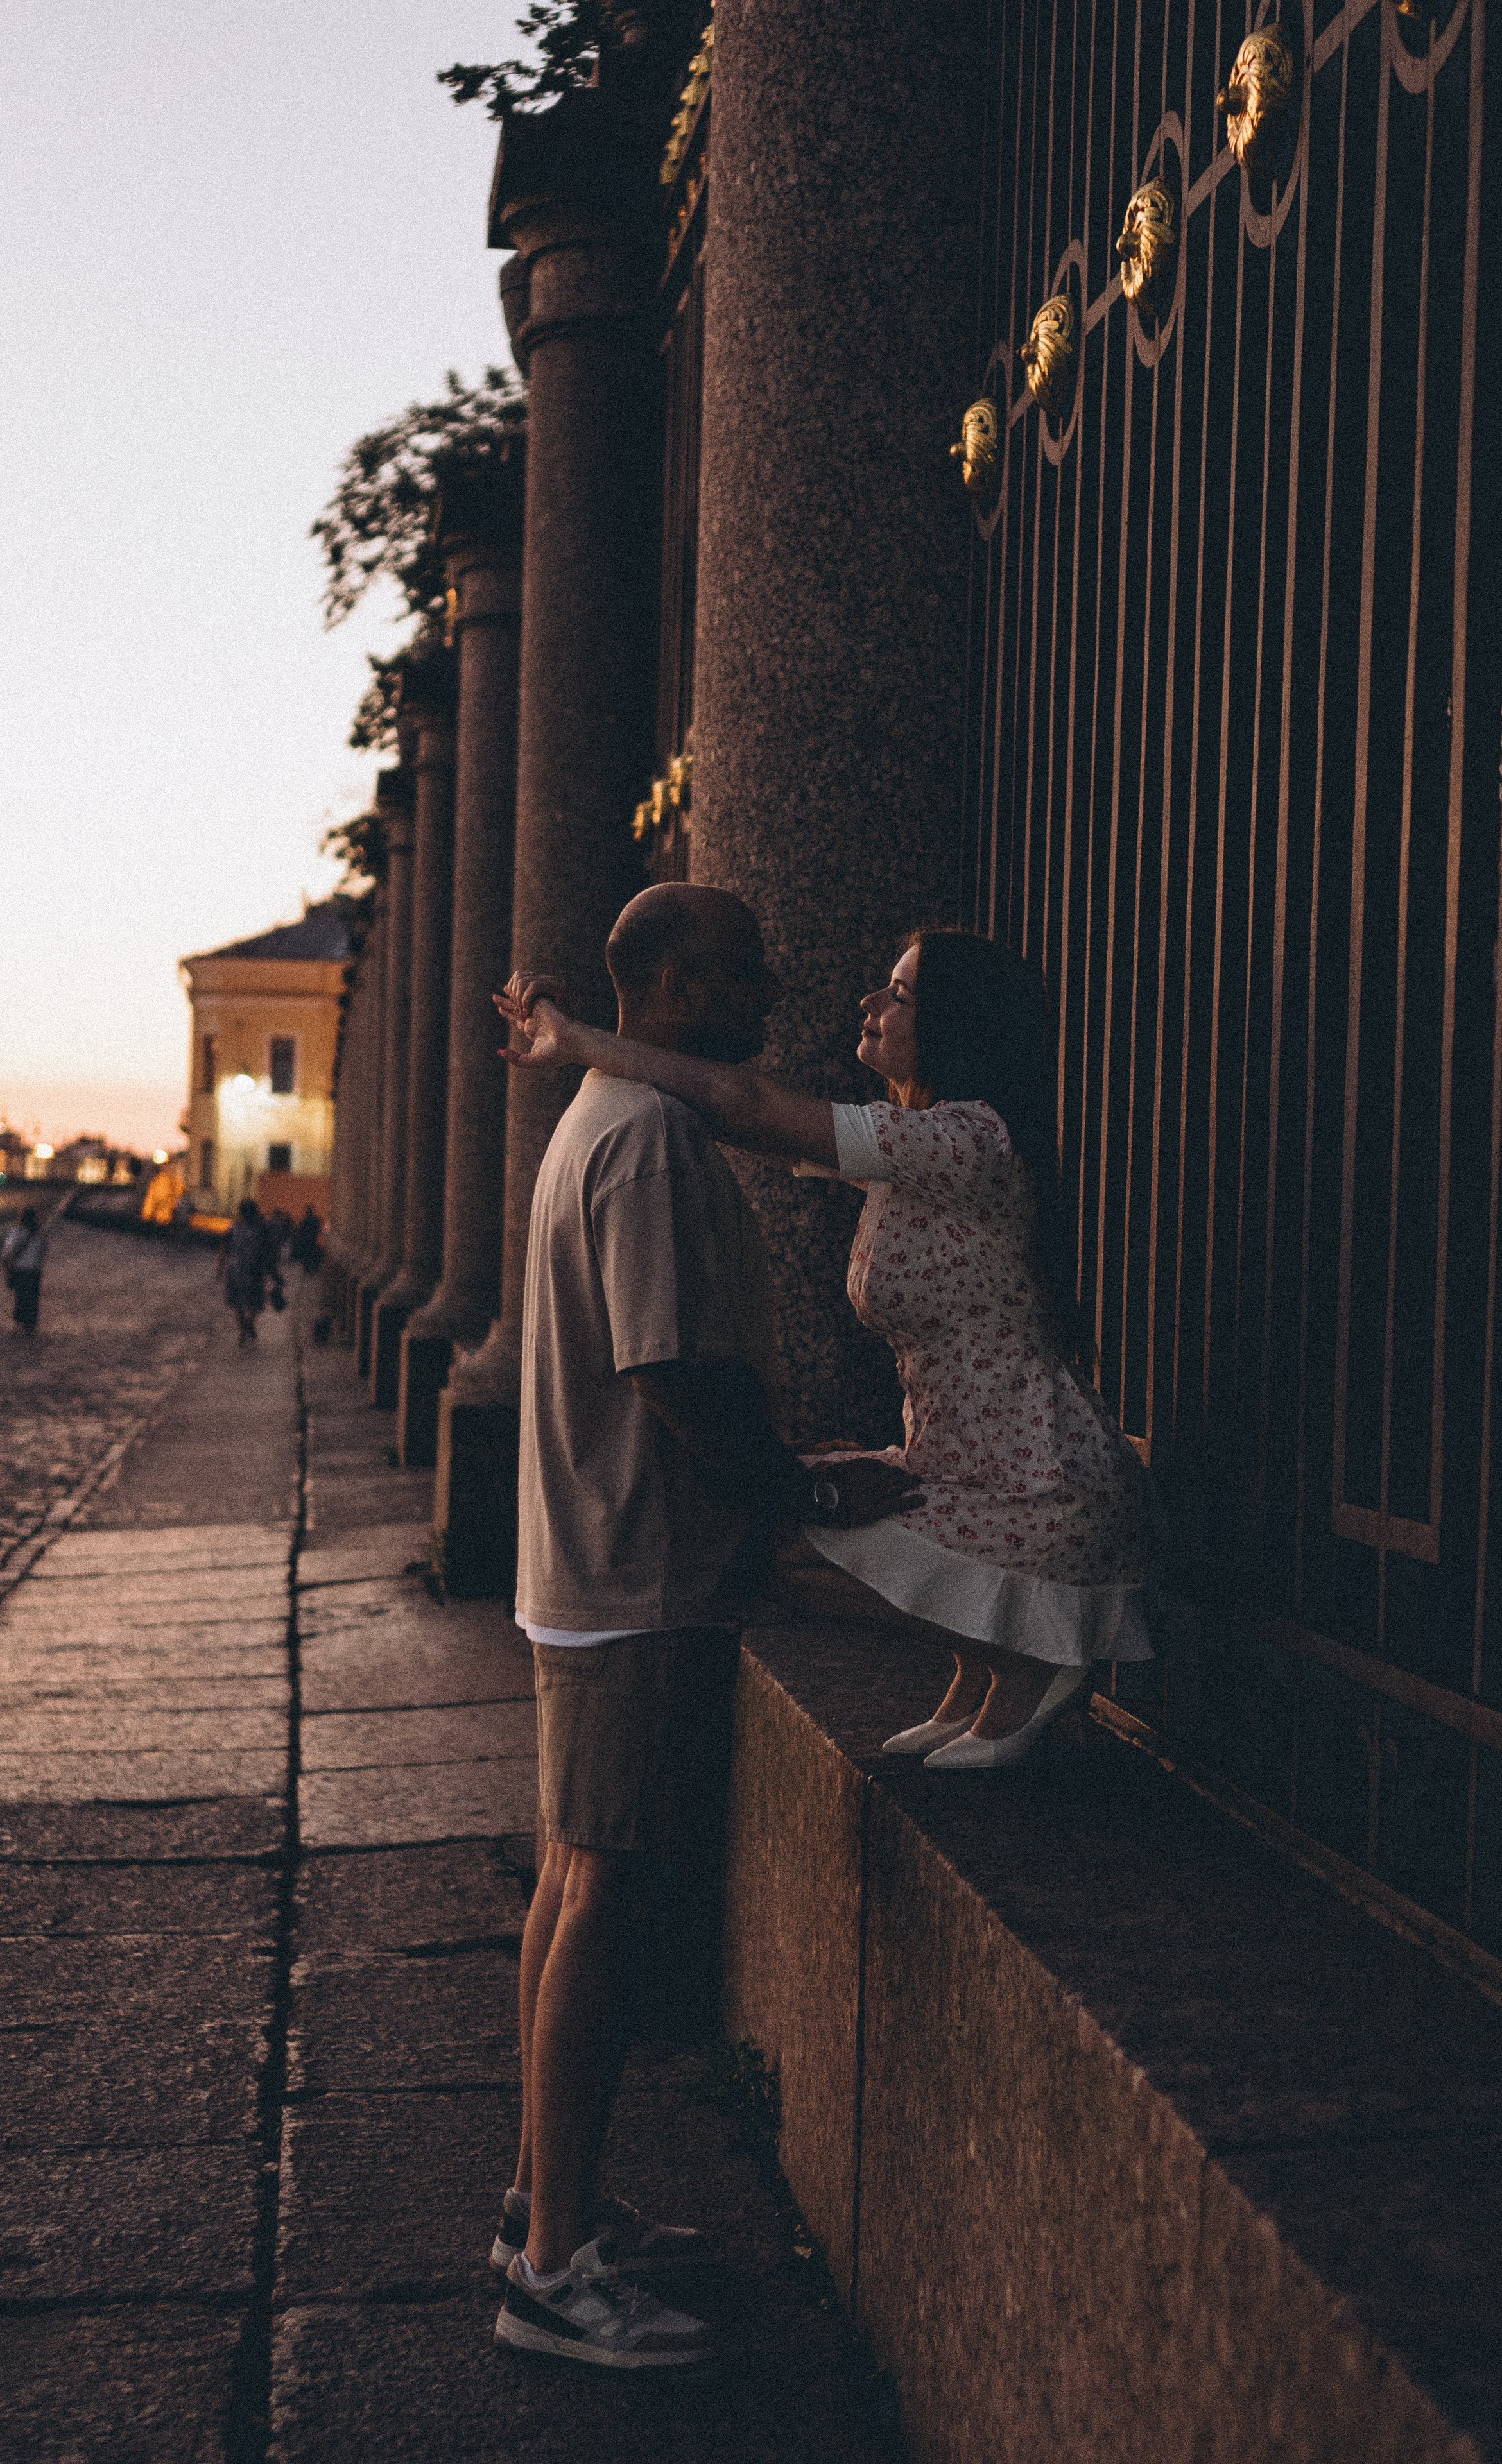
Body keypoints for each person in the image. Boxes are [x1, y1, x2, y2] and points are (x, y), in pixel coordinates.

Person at [487, 884, 915, 2372]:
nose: (765, 994)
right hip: (637, 1573)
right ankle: (552, 2272)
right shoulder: (652, 1138)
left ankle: (543, 2203)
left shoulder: (598, 1118)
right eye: (737, 973)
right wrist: (799, 1487)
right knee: (601, 1895)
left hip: (586, 1566)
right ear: (663, 986)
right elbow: (668, 1366)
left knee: (570, 1876)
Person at [499, 925, 1151, 1772]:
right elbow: (754, 1126)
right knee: (790, 1504)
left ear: (956, 1025)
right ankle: (983, 1663)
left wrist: (579, 1039)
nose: (869, 1003)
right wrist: (598, 1045)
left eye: (900, 994)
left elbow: (751, 1103)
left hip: (1044, 1489)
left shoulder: (967, 1141)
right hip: (970, 1468)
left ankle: (1020, 1653)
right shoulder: (913, 1146)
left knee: (768, 1544)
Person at [218, 1198, 270, 1346]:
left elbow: (224, 1249)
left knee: (238, 1304)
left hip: (236, 1271)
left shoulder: (233, 1230)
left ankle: (242, 1332)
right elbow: (267, 1252)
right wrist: (271, 1272)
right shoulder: (261, 1230)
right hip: (255, 1271)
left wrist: (220, 1269)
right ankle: (250, 1322)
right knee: (256, 1302)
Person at [0, 1206, 47, 1334]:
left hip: (20, 1269)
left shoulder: (17, 1232)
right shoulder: (40, 1234)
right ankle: (30, 1322)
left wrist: (5, 1261)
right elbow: (43, 1251)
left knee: (21, 1296)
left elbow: (8, 1249)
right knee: (33, 1297)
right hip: (34, 1270)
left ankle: (22, 1320)